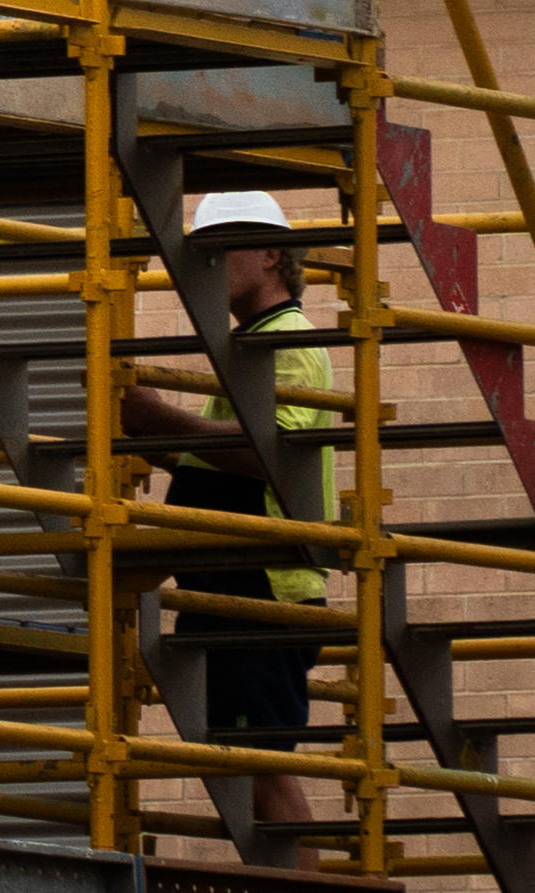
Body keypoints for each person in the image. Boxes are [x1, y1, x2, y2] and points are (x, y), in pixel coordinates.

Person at [124, 187, 339, 863]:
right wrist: (161, 433)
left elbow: (265, 454)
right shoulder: (250, 345)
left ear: (272, 253)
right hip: (234, 579)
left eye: (223, 248)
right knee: (243, 760)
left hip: (263, 584)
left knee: (262, 762)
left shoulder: (291, 342)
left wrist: (163, 421)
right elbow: (222, 451)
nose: (209, 265)